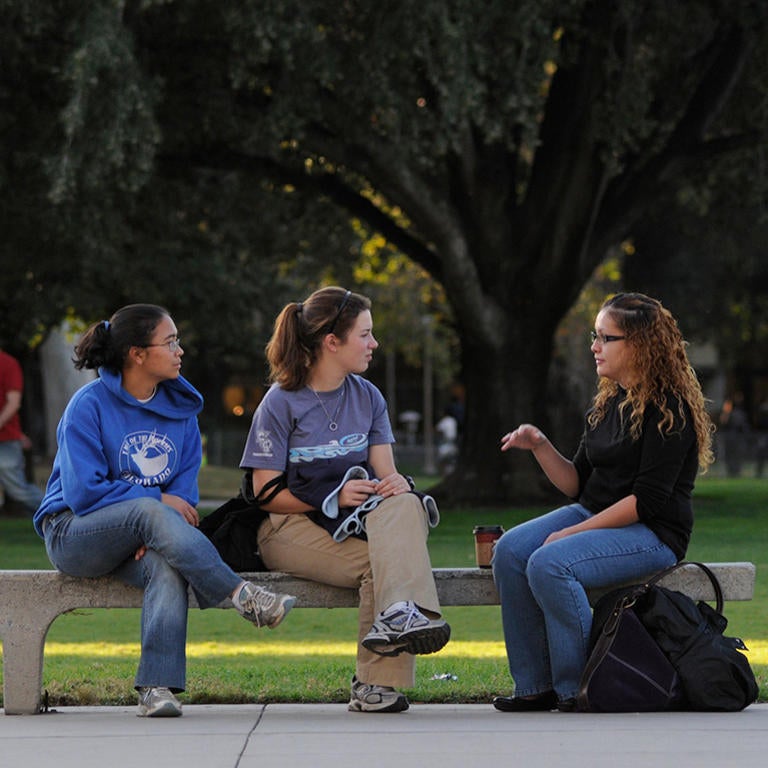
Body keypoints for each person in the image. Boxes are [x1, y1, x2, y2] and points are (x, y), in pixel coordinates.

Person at [32, 304, 296, 718]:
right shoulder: (89, 406)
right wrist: (151, 511)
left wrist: (151, 521)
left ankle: (157, 687)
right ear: (137, 354)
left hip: (141, 534)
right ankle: (240, 593)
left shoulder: (182, 413)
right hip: (72, 533)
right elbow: (83, 494)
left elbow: (184, 500)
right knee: (146, 508)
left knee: (167, 564)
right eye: (169, 342)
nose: (180, 351)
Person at [491, 292, 714, 713]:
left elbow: (645, 502)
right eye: (595, 336)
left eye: (604, 337)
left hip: (651, 532)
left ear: (638, 345)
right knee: (510, 551)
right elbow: (578, 485)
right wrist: (539, 445)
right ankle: (533, 686)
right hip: (595, 514)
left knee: (549, 562)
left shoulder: (670, 409)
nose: (594, 346)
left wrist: (570, 534)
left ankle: (579, 688)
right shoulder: (611, 399)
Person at [240, 286, 450, 713]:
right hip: (286, 528)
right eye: (366, 335)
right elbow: (265, 493)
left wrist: (394, 485)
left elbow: (385, 471)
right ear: (331, 342)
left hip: (351, 524)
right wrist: (329, 498)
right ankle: (402, 633)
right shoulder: (280, 403)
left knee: (406, 502)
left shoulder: (368, 397)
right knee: (383, 566)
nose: (374, 344)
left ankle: (384, 662)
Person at [0, 345, 44, 514]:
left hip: (5, 440)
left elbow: (13, 403)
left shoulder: (8, 364)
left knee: (19, 490)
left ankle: (60, 514)